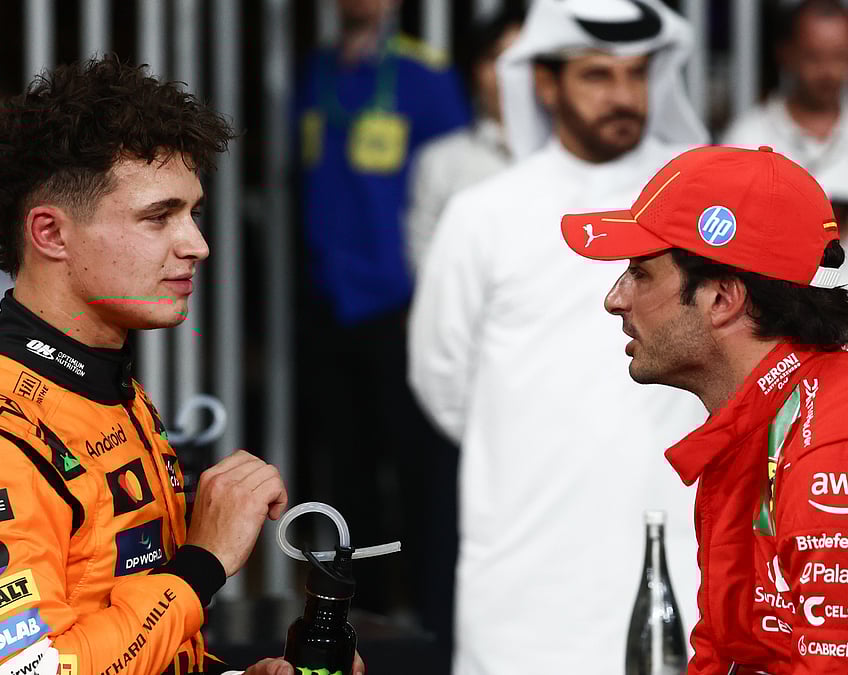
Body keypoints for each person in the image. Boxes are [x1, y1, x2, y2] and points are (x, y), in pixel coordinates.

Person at [0, 56, 362, 675]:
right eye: (158, 217)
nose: (197, 245)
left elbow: (123, 637)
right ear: (51, 234)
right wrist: (202, 564)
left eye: (193, 214)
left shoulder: (110, 393)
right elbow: (32, 670)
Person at [560, 144, 848, 672]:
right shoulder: (766, 422)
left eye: (640, 273)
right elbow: (727, 654)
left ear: (722, 299)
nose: (615, 299)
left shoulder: (845, 457)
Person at [408, 1, 708, 672]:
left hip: (678, 538)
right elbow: (440, 377)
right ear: (544, 83)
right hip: (528, 563)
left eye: (637, 74)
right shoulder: (485, 214)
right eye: (597, 75)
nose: (623, 95)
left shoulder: (700, 208)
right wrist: (529, 444)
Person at [293, 0, 470, 621]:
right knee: (345, 472)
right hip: (329, 304)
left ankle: (428, 620)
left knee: (419, 472)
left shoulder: (425, 77)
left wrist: (431, 299)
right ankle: (359, 620)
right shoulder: (314, 71)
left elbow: (457, 192)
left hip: (402, 310)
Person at [722, 0, 848, 354]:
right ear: (785, 54)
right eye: (814, 56)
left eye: (840, 56)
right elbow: (728, 250)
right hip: (773, 346)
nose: (828, 70)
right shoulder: (746, 138)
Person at [405, 9, 523, 272]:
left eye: (520, 59)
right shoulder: (439, 160)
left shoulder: (574, 157)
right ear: (475, 70)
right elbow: (424, 259)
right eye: (494, 58)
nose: (506, 72)